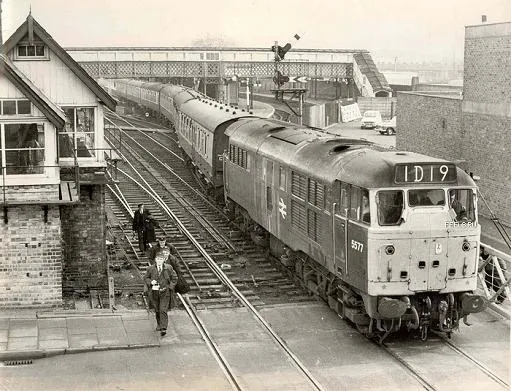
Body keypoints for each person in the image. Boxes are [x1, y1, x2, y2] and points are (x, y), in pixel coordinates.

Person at [144, 250, 178, 336]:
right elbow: (146, 278)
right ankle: (159, 324)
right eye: (158, 259)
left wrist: (170, 287)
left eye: (161, 259)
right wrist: (151, 282)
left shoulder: (169, 268)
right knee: (157, 310)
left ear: (164, 260)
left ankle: (163, 328)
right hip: (154, 293)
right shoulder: (150, 269)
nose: (159, 261)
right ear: (155, 260)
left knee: (163, 310)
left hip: (165, 292)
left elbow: (174, 278)